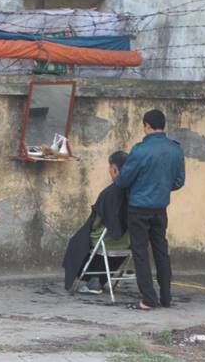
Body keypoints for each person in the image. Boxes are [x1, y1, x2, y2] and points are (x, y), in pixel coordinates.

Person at [114, 109, 185, 310]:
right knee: (161, 251)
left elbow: (124, 179)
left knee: (140, 252)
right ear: (163, 126)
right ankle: (166, 297)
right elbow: (179, 181)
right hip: (160, 208)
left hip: (138, 208)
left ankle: (148, 299)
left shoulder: (140, 150)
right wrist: (161, 187)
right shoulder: (175, 149)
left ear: (146, 126)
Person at [62, 151, 130, 293]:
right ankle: (97, 280)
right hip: (129, 242)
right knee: (99, 241)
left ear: (113, 169)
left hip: (107, 241)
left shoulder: (108, 194)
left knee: (78, 243)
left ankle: (94, 280)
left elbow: (97, 224)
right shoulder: (137, 192)